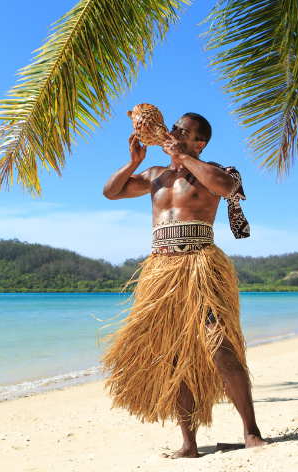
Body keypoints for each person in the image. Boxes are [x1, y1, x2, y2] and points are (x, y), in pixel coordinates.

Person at [100, 112, 266, 458]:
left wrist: (184, 157)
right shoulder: (155, 175)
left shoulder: (212, 171)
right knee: (175, 355)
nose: (173, 131)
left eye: (183, 130)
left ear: (198, 142)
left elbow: (228, 188)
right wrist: (133, 162)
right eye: (174, 127)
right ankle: (189, 444)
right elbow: (110, 192)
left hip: (200, 266)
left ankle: (251, 432)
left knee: (220, 344)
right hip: (162, 271)